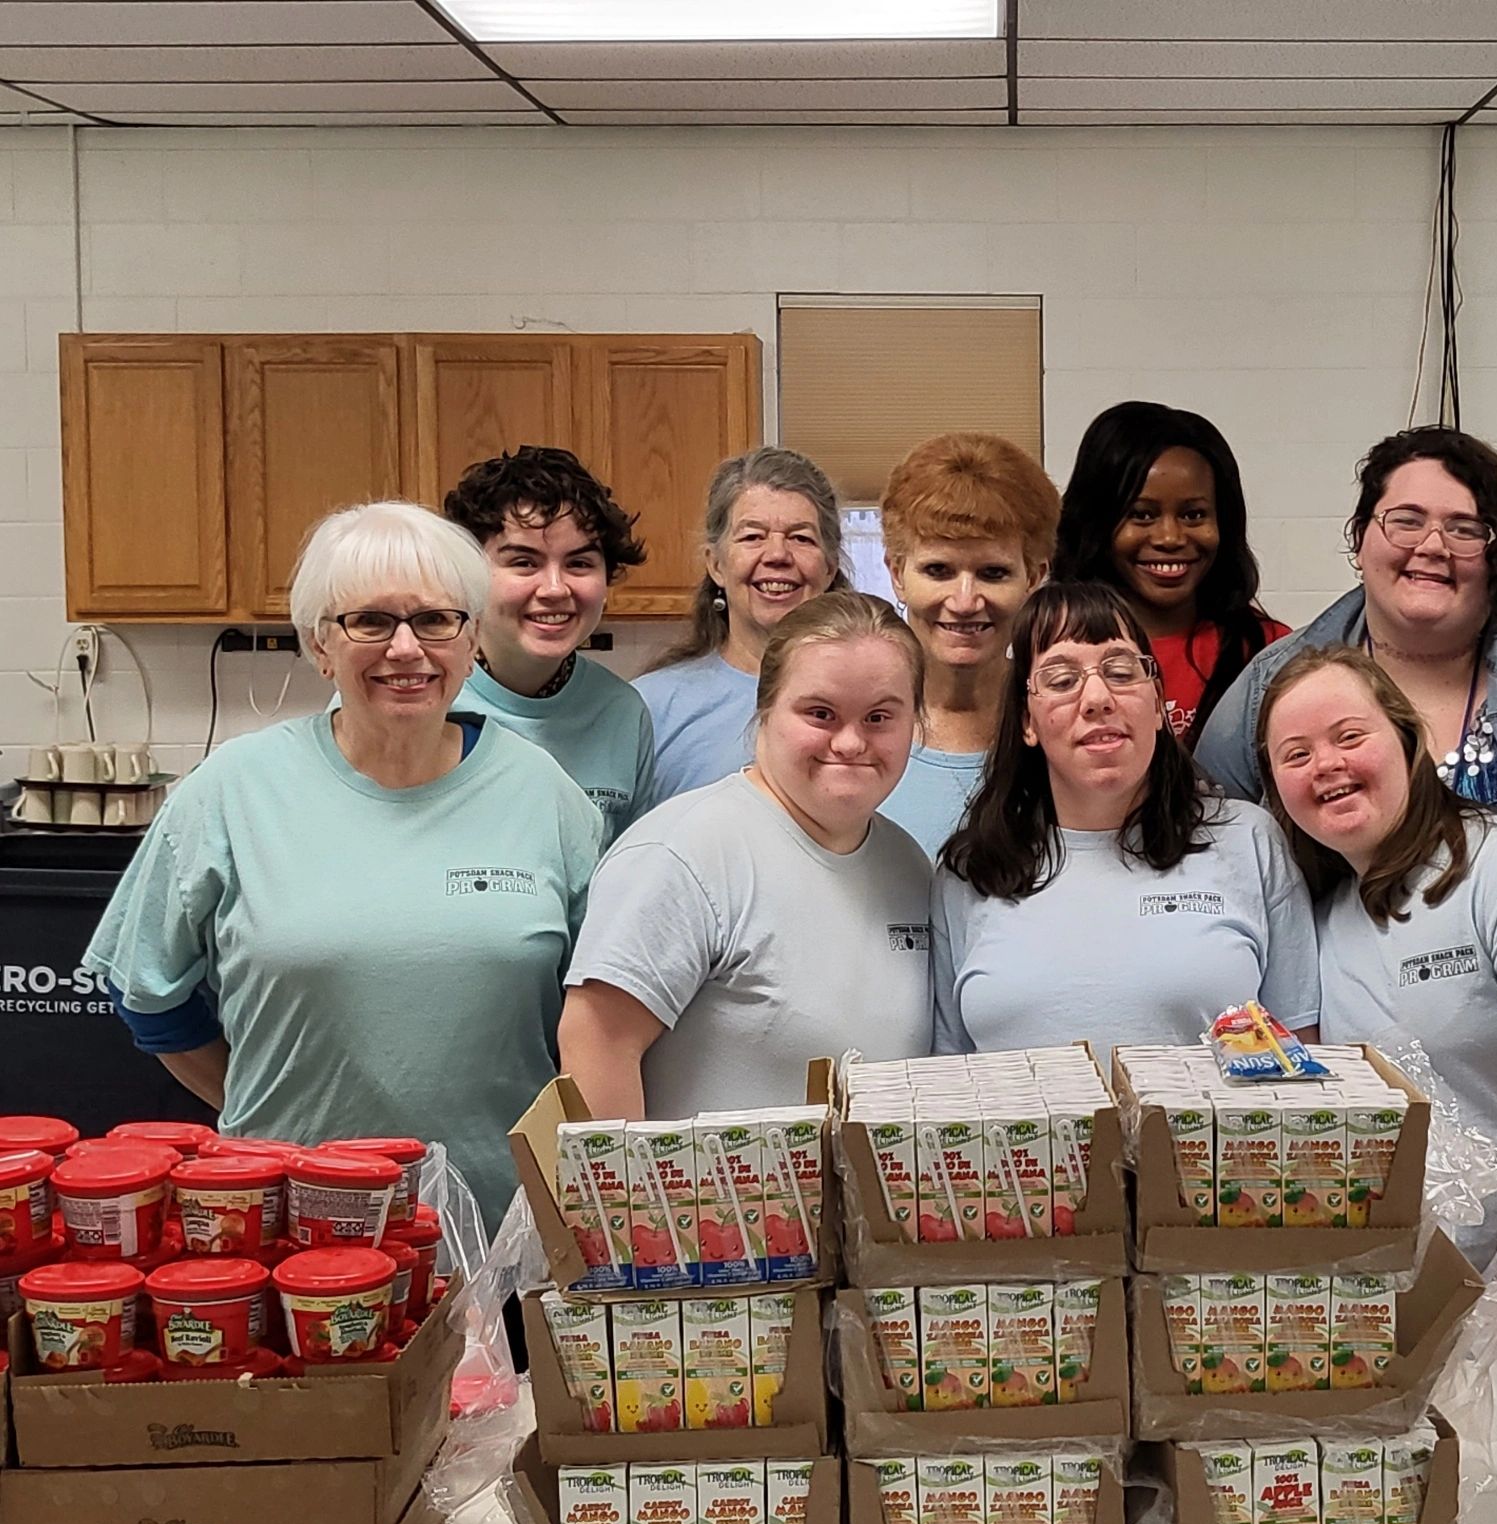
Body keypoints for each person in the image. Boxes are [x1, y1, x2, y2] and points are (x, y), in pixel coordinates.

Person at [83, 502, 604, 1227]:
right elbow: (149, 995)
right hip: (287, 1226)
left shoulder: (544, 794)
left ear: (472, 637)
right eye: (369, 622)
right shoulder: (230, 792)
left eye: (435, 620)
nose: (406, 649)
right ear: (319, 645)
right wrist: (259, 1108)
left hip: (503, 1227)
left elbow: (601, 1016)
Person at [1257, 646, 1497, 1270]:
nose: (1327, 764)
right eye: (1296, 754)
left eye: (1350, 736)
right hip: (1393, 1294)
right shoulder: (1322, 913)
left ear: (1408, 740)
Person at [560, 592, 933, 1120]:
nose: (850, 742)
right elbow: (595, 1040)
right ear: (765, 710)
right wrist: (632, 1203)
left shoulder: (907, 865)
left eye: (879, 717)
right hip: (693, 1202)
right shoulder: (683, 853)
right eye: (820, 713)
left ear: (913, 722)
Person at [933, 581, 1319, 1066]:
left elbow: (1304, 1060)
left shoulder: (1248, 839)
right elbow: (945, 1078)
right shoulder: (971, 870)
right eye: (1060, 679)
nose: (1097, 698)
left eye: (1120, 671)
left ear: (1158, 703)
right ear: (1027, 720)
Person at [1197, 426, 1497, 842]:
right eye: (1407, 521)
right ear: (1360, 537)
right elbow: (1209, 846)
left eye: (1464, 528)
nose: (1432, 546)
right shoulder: (1271, 683)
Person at [443, 444, 656, 844]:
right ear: (466, 573)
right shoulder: (421, 697)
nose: (555, 589)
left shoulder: (621, 713)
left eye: (579, 563)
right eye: (524, 562)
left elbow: (631, 873)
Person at [1053, 401, 1288, 743]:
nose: (1170, 538)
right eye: (1142, 515)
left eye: (1193, 515)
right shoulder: (1051, 649)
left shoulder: (1271, 651)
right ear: (1095, 524)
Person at [876, 431, 1058, 858]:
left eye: (993, 573)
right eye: (938, 570)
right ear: (898, 573)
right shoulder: (852, 730)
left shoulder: (1065, 722)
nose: (964, 602)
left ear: (1034, 577)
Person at [636, 446, 844, 802]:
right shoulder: (648, 710)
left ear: (829, 567)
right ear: (716, 565)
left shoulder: (872, 703)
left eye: (801, 538)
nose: (778, 555)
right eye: (752, 537)